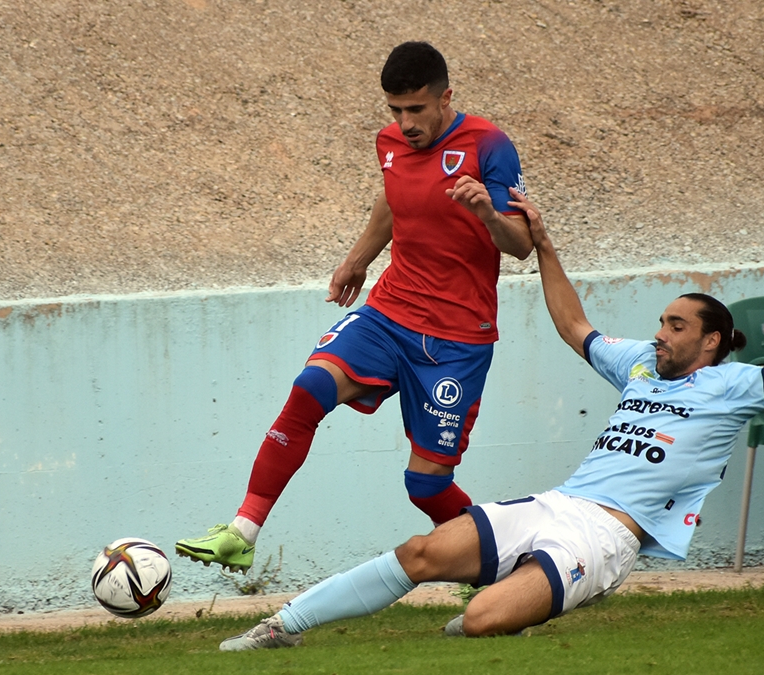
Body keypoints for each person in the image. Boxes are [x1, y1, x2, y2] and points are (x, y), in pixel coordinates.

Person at [213, 191, 764, 650]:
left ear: (712, 341)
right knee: (419, 553)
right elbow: (574, 324)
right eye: (662, 322)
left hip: (607, 536)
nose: (660, 333)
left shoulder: (736, 384)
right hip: (558, 501)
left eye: (675, 325)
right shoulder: (640, 363)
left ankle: (536, 596)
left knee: (481, 618)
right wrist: (546, 244)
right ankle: (281, 625)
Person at [175, 42, 533, 573]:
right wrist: (356, 261)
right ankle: (242, 532)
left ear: (445, 98)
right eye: (395, 110)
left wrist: (487, 213)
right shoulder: (389, 143)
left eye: (416, 109)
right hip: (390, 311)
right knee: (309, 389)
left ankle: (506, 565)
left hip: (457, 338)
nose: (405, 124)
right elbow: (392, 199)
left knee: (426, 485)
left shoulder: (490, 145)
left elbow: (521, 244)